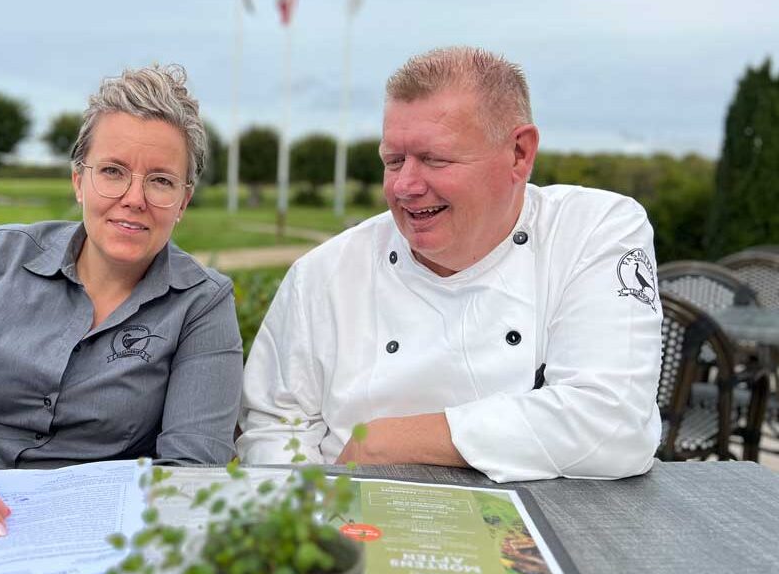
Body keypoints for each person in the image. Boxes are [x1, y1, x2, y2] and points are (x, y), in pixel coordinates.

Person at [0, 65, 244, 536]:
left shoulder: (202, 302)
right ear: (79, 181)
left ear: (183, 201)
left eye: (160, 181)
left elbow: (190, 473)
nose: (134, 198)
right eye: (113, 171)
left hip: (98, 533)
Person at [237, 47, 662, 482]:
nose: (405, 186)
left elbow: (613, 425)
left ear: (519, 153)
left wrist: (384, 442)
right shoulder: (324, 274)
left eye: (435, 159)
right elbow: (275, 426)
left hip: (548, 524)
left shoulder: (591, 232)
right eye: (393, 160)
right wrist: (314, 515)